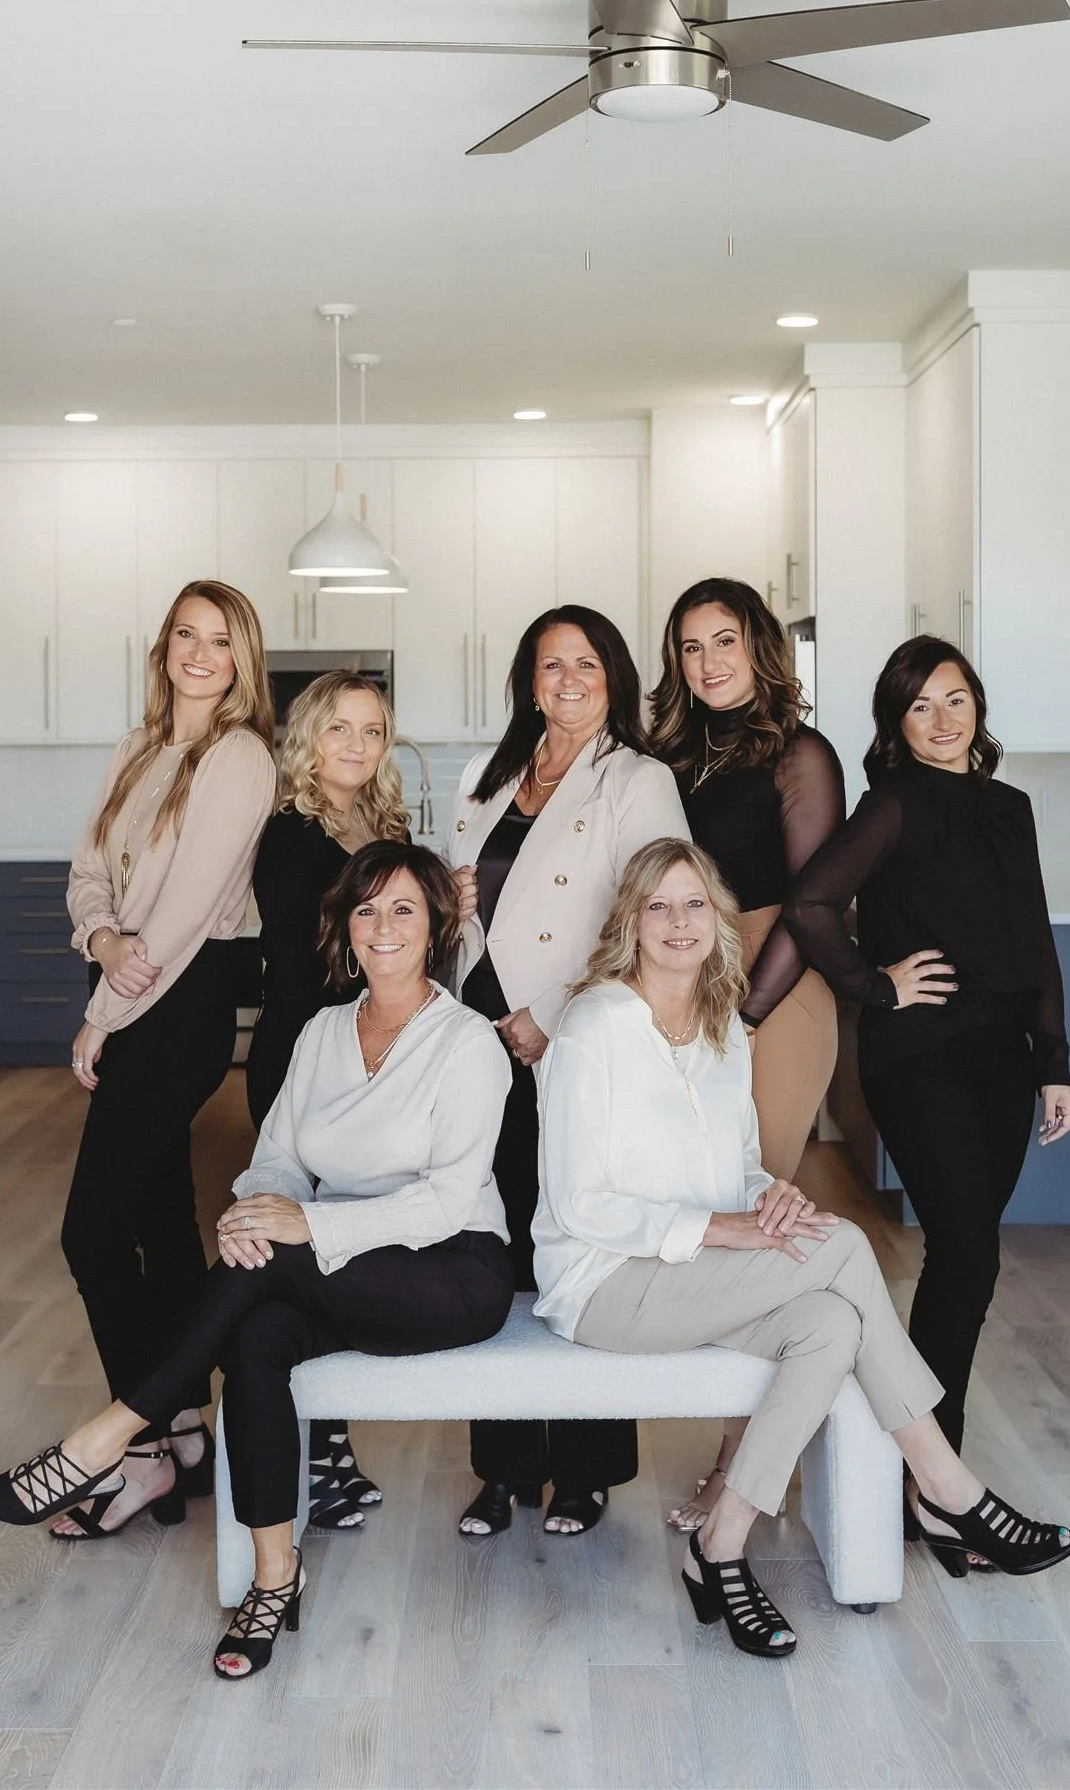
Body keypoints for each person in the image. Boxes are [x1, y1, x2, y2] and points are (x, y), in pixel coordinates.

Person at [0, 843, 516, 1682]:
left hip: (452, 1272)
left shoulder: (466, 1041)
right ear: (345, 928)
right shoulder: (324, 1032)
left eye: (404, 908)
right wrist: (253, 1214)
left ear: (439, 924)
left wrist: (298, 1227)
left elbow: (446, 1199)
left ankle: (104, 1440)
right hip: (335, 1263)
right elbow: (277, 1160)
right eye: (366, 909)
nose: (383, 926)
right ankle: (272, 1577)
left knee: (269, 1273)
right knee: (256, 1341)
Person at [532, 838, 1070, 1658]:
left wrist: (764, 1195)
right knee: (844, 1247)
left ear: (718, 920)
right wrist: (728, 1230)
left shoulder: (721, 1028)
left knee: (827, 1323)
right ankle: (945, 1488)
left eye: (694, 904)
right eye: (658, 906)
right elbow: (579, 1203)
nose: (678, 922)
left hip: (692, 1274)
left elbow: (736, 1165)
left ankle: (719, 1543)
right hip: (603, 1282)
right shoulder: (595, 1023)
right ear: (631, 923)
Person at [786, 636, 1070, 1568]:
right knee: (967, 1249)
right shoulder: (893, 806)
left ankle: (921, 1478)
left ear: (978, 709)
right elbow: (810, 906)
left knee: (965, 1263)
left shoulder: (1010, 809)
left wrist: (1053, 1061)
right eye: (921, 706)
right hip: (918, 1059)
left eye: (956, 700)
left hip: (998, 1059)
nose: (944, 720)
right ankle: (940, 1484)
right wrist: (876, 985)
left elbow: (1033, 939)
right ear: (895, 724)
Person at [447, 604, 690, 1538]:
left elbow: (648, 908)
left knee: (580, 1235)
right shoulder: (492, 774)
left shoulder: (637, 778)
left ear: (613, 677)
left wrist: (548, 1017)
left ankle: (585, 1469)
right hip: (478, 1026)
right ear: (528, 680)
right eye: (549, 665)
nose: (567, 680)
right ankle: (503, 1467)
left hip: (571, 1033)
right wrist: (451, 891)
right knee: (491, 1236)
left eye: (585, 663)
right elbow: (467, 897)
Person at [58, 580, 275, 1537]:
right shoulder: (136, 747)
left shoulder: (239, 759)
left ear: (241, 659)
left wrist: (105, 1011)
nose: (198, 653)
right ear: (165, 647)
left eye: (218, 640)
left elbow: (185, 913)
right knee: (156, 1217)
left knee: (90, 1233)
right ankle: (184, 1425)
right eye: (184, 635)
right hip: (132, 978)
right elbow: (88, 872)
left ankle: (135, 1445)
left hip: (180, 1002)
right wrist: (100, 942)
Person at [649, 578, 847, 1529]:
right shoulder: (672, 758)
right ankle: (743, 1448)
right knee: (716, 1223)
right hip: (698, 989)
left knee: (754, 1221)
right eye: (689, 648)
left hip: (775, 991)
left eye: (722, 641)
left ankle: (740, 1471)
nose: (707, 663)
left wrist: (748, 1012)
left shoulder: (799, 754)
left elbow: (815, 905)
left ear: (759, 646)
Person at [249, 672, 410, 1530]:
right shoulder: (289, 835)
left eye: (372, 731)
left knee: (337, 1259)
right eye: (339, 728)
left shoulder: (379, 827)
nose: (355, 745)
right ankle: (314, 1457)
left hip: (363, 1062)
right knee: (300, 1267)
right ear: (310, 737)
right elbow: (309, 964)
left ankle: (332, 1454)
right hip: (303, 1064)